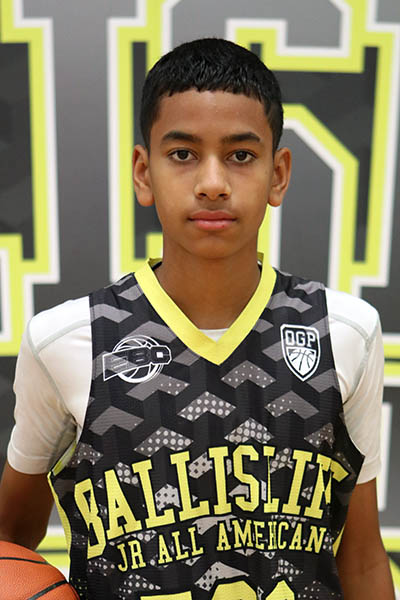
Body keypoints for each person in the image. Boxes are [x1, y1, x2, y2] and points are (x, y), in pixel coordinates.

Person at [0, 38, 394, 600]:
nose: (212, 182)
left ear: (279, 174)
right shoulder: (66, 341)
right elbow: (11, 543)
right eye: (183, 154)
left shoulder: (343, 331)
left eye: (241, 155)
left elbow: (362, 559)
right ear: (144, 172)